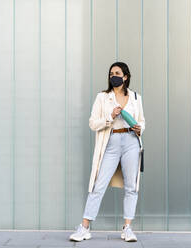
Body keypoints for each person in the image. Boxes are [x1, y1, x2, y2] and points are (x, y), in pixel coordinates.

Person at [69, 62, 145, 242]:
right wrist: (110, 116)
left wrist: (139, 128)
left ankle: (127, 228)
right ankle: (84, 228)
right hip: (110, 142)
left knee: (131, 187)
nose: (113, 76)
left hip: (131, 142)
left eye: (117, 73)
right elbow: (93, 123)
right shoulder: (102, 97)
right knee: (98, 185)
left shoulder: (136, 97)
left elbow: (142, 121)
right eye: (111, 73)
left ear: (125, 76)